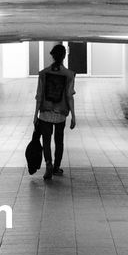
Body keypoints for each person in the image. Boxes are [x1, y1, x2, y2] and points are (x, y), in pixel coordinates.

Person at [34, 44, 76, 181]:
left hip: (45, 113)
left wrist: (35, 115)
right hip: (61, 113)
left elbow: (39, 95)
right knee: (59, 141)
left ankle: (48, 164)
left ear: (52, 56)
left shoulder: (43, 73)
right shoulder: (69, 75)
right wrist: (74, 116)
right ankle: (57, 167)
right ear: (64, 56)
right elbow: (69, 96)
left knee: (46, 141)